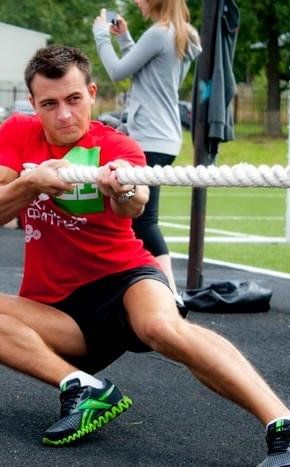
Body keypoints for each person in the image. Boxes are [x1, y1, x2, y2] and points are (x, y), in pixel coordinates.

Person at [0, 46, 290, 466]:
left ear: (92, 93)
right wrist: (31, 184)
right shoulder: (18, 134)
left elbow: (133, 204)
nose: (63, 114)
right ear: (34, 104)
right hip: (60, 314)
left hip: (126, 279)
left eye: (74, 99)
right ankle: (82, 388)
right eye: (50, 104)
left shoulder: (117, 145)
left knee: (161, 327)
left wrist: (125, 190)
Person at [92, 2, 202, 297]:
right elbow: (147, 71)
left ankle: (171, 295)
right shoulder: (183, 34)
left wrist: (101, 35)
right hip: (163, 137)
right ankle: (145, 289)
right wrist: (126, 39)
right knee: (132, 214)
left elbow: (117, 72)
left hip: (149, 139)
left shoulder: (158, 33)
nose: (138, 2)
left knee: (143, 219)